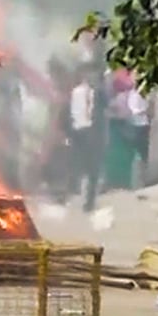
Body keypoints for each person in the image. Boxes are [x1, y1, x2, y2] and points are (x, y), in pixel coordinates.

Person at [69, 64, 103, 212]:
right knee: (80, 165)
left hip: (93, 132)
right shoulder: (76, 93)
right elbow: (71, 112)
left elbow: (101, 113)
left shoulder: (98, 93)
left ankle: (89, 201)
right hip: (79, 131)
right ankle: (78, 195)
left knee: (92, 168)